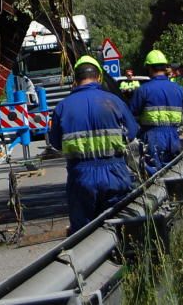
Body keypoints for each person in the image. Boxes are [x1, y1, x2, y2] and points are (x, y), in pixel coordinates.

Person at [48, 55, 139, 233]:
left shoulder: (63, 107)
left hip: (81, 176)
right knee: (122, 228)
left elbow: (56, 143)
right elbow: (132, 132)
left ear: (75, 79)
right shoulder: (114, 101)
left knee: (84, 234)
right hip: (115, 173)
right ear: (99, 77)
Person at [130, 50, 183, 173]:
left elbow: (132, 114)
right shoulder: (178, 89)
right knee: (174, 173)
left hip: (152, 137)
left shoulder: (143, 90)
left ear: (149, 68)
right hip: (174, 137)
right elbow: (182, 110)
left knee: (154, 177)